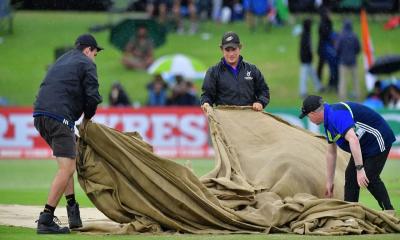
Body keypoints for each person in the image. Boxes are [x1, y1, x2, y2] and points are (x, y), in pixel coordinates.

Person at [33, 34, 103, 234]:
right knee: (68, 167)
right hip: (58, 116)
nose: (94, 58)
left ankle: (72, 211)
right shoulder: (87, 63)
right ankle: (46, 219)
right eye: (95, 54)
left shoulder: (63, 59)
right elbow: (92, 97)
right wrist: (87, 120)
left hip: (40, 114)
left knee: (67, 162)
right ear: (88, 49)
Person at [299, 95, 396, 214]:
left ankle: (389, 211)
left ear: (314, 113)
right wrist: (329, 182)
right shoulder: (329, 122)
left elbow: (353, 139)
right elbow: (331, 153)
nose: (309, 120)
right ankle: (350, 214)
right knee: (351, 176)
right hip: (364, 145)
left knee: (369, 177)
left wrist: (360, 169)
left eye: (308, 116)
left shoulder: (336, 115)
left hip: (379, 138)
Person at [201, 31, 270, 112]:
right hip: (225, 119)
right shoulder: (213, 71)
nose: (231, 54)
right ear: (222, 49)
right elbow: (207, 95)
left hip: (250, 117)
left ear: (240, 48)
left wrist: (260, 102)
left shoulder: (252, 69)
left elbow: (264, 91)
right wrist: (206, 103)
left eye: (234, 49)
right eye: (227, 50)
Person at [336, 19, 361, 100]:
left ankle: (342, 97)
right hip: (353, 61)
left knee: (342, 81)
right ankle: (357, 95)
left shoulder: (341, 36)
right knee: (355, 80)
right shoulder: (354, 35)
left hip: (343, 61)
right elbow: (358, 48)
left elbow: (337, 49)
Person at [299, 19, 322, 98]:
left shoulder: (305, 34)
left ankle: (318, 86)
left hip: (306, 58)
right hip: (306, 59)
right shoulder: (306, 35)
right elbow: (307, 48)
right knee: (304, 76)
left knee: (312, 73)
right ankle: (303, 91)